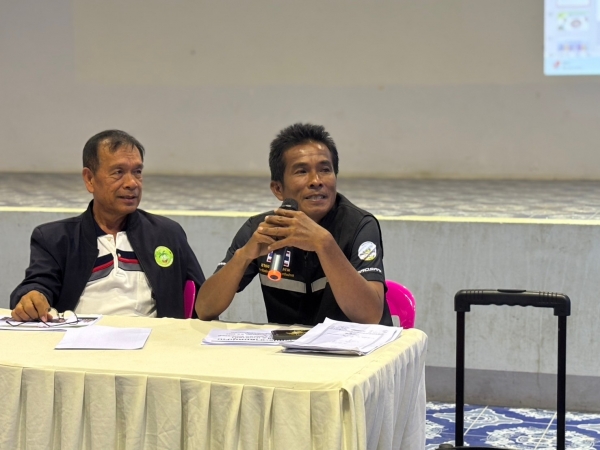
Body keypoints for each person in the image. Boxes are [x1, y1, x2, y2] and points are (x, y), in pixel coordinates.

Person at [196, 123, 392, 326]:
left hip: (355, 344)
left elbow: (370, 316)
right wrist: (244, 256)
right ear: (278, 189)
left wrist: (325, 245)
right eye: (302, 171)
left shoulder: (359, 226)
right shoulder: (261, 229)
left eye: (325, 170)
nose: (316, 181)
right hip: (290, 344)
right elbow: (204, 309)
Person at [10, 130, 205, 321]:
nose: (132, 183)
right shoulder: (55, 238)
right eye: (118, 172)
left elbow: (202, 299)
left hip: (152, 338)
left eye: (137, 172)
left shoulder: (167, 233)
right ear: (90, 179)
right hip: (81, 338)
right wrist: (33, 297)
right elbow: (38, 285)